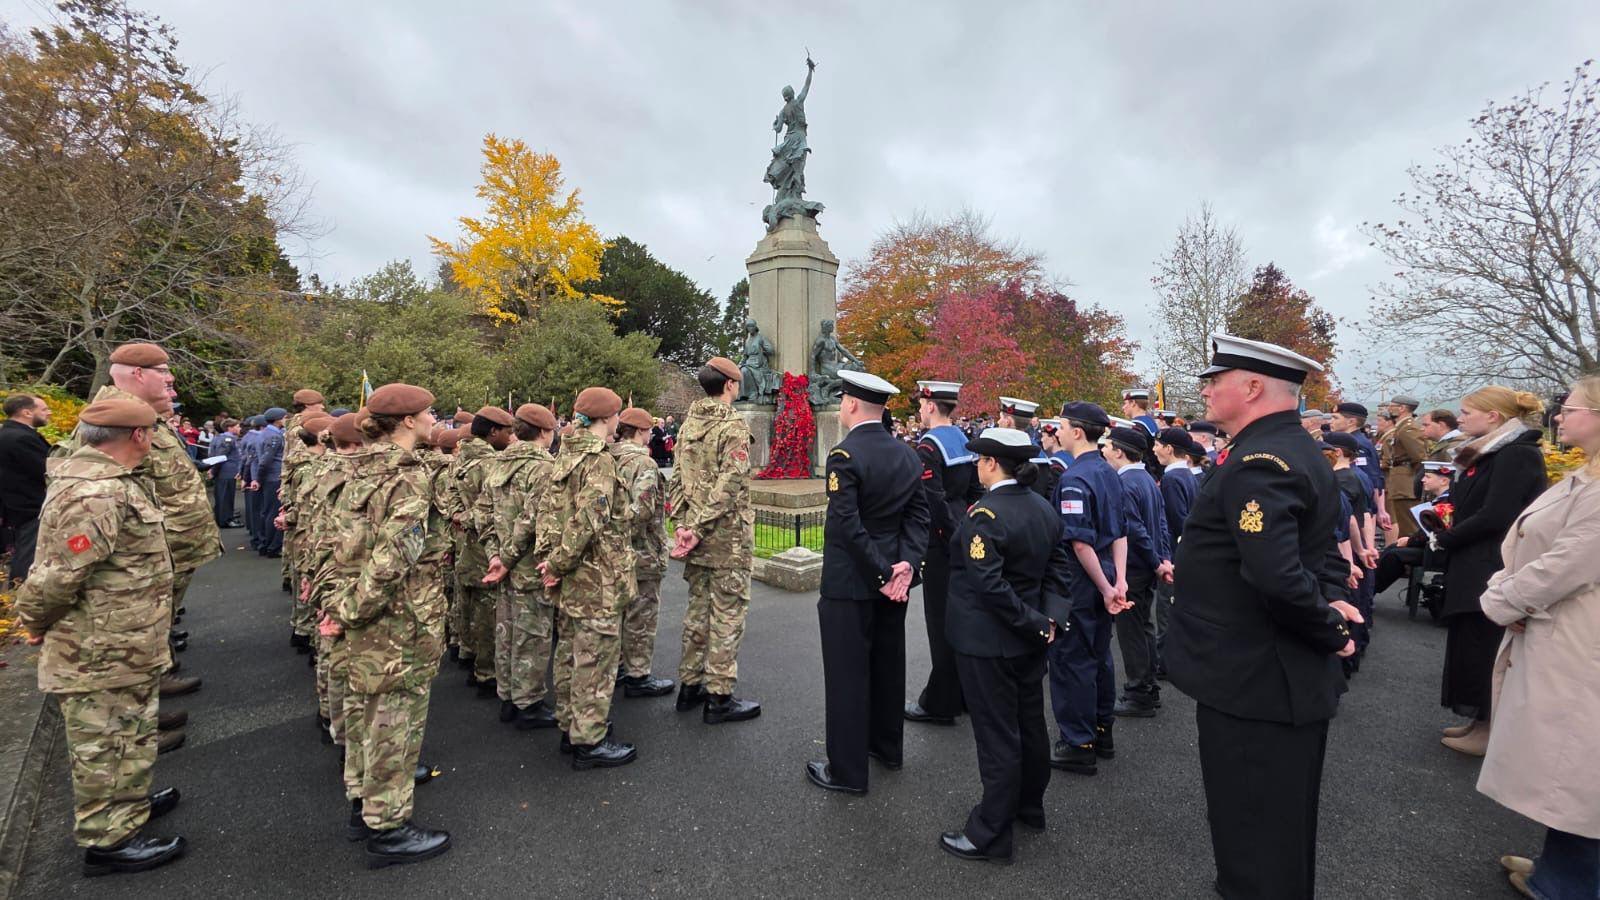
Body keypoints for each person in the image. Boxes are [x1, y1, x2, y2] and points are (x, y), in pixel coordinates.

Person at [1165, 334, 1364, 900]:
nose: (1205, 389)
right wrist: (1330, 597)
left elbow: (1276, 574)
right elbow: (1318, 550)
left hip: (1255, 677)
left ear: (1252, 388)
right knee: (1270, 827)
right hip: (1264, 673)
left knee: (1254, 827)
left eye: (1214, 380)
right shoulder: (1284, 449)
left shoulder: (1261, 461)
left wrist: (1332, 627)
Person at [17, 398, 186, 877]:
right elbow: (58, 575)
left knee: (128, 732)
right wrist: (33, 621)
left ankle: (127, 804)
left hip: (123, 641)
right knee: (102, 742)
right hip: (97, 647)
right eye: (152, 432)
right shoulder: (95, 492)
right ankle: (107, 840)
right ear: (138, 436)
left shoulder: (109, 482)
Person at [1477, 376, 1600, 900]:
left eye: (1569, 408)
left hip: (1578, 638)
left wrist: (1502, 600)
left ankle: (1572, 883)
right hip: (1559, 626)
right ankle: (1560, 867)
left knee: (1577, 764)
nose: (1559, 416)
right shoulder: (1587, 478)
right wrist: (1506, 587)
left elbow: (1565, 564)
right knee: (1567, 764)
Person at [938, 427, 1072, 865]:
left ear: (993, 464)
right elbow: (1058, 569)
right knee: (1029, 725)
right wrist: (1048, 621)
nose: (976, 466)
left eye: (980, 460)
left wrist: (1036, 622)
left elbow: (989, 587)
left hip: (989, 643)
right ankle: (1028, 806)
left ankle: (989, 833)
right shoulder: (1042, 508)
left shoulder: (986, 516)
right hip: (1028, 640)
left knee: (998, 736)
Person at [65, 343, 215, 702]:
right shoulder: (110, 417)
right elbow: (97, 494)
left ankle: (155, 683)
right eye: (163, 372)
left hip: (169, 544)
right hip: (140, 553)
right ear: (138, 374)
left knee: (155, 624)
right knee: (131, 634)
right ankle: (137, 709)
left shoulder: (143, 413)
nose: (170, 379)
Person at [808, 370, 930, 795]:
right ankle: (887, 748)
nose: (841, 405)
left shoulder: (844, 455)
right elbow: (919, 518)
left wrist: (881, 574)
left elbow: (846, 525)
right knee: (887, 667)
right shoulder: (908, 455)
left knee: (847, 676)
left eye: (843, 399)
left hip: (852, 584)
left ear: (853, 405)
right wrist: (905, 567)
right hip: (893, 583)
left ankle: (847, 771)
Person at [1431, 386, 1546, 757]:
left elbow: (1497, 514)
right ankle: (1477, 720)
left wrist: (1447, 539)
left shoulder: (1516, 455)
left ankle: (1489, 726)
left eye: (1466, 412)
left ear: (1493, 417)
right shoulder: (1491, 451)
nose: (1459, 417)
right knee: (1470, 643)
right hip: (1474, 557)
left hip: (1490, 560)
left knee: (1484, 646)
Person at [537, 387, 638, 769]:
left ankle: (571, 725)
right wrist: (559, 562)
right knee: (596, 659)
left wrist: (550, 561)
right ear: (607, 418)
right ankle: (589, 740)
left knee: (569, 653)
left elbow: (548, 513)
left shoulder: (563, 454)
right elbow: (590, 520)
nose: (618, 423)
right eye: (616, 417)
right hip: (597, 577)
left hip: (572, 577)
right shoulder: (598, 460)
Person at [666, 357, 760, 723]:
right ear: (731, 386)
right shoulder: (732, 426)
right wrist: (700, 526)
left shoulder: (690, 423)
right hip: (726, 539)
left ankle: (690, 685)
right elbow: (730, 483)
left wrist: (682, 525)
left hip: (695, 536)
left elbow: (676, 478)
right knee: (727, 616)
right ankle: (719, 697)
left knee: (697, 612)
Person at [1045, 401, 1128, 775]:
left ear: (1077, 432)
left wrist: (1106, 586)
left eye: (1060, 426)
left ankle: (1078, 742)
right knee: (1098, 656)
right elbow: (1120, 532)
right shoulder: (1110, 472)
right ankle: (1101, 729)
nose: (1056, 432)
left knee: (1072, 659)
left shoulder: (1074, 479)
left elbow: (1080, 543)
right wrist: (1118, 580)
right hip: (1105, 572)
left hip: (1082, 580)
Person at [479, 404, 562, 729]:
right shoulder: (543, 468)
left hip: (502, 562)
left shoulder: (498, 464)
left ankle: (508, 698)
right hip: (529, 564)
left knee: (507, 630)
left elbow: (482, 514)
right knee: (533, 636)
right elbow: (531, 520)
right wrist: (508, 557)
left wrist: (494, 555)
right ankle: (528, 703)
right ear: (544, 432)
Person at [905, 380, 981, 727]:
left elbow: (932, 500)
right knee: (964, 617)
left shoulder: (928, 447)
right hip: (966, 532)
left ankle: (941, 701)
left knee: (941, 622)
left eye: (921, 404)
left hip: (943, 543)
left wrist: (948, 538)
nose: (920, 410)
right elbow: (975, 491)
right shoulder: (965, 439)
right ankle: (965, 692)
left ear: (932, 406)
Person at [1104, 426, 1171, 719]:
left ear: (1119, 451)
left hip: (1133, 567)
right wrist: (1163, 559)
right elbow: (1161, 524)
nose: (1103, 450)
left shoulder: (1125, 483)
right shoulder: (1144, 478)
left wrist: (1157, 562)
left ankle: (1138, 692)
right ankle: (1148, 685)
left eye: (1107, 446)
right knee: (1144, 627)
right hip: (1147, 565)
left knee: (1131, 632)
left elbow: (1135, 529)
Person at [610, 407, 675, 699]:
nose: (650, 434)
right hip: (642, 551)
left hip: (613, 553)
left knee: (620, 611)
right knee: (641, 615)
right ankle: (637, 674)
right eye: (648, 430)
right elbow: (644, 510)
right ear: (639, 431)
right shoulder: (643, 464)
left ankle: (620, 668)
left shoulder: (608, 457)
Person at [453, 406, 514, 695]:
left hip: (466, 541)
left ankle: (467, 652)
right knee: (489, 610)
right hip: (487, 542)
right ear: (493, 432)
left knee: (468, 600)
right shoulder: (490, 464)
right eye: (507, 431)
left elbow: (449, 501)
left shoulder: (461, 458)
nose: (511, 437)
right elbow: (491, 509)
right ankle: (486, 673)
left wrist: (459, 518)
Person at [1151, 427, 1200, 679]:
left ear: (1169, 449)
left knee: (1167, 609)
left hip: (1174, 551)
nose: (1154, 449)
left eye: (1158, 445)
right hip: (1186, 551)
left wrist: (1169, 556)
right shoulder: (1188, 474)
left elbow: (1175, 520)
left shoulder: (1172, 478)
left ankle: (1167, 662)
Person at [1371, 461, 1453, 596]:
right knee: (1392, 549)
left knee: (1394, 555)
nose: (1422, 480)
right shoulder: (1441, 500)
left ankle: (1370, 590)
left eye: (1428, 477)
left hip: (1438, 552)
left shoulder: (1446, 503)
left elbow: (1435, 532)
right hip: (1430, 547)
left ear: (1444, 481)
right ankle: (1367, 587)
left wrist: (1409, 541)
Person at [1, 393, 51, 584]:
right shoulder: (21, 438)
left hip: (15, 503)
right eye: (44, 409)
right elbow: (46, 468)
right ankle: (19, 589)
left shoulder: (8, 433)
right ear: (27, 412)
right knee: (28, 552)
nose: (49, 412)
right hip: (29, 504)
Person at [1381, 395, 1427, 539]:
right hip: (1402, 483)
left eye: (1392, 406)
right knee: (1404, 524)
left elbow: (1419, 457)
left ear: (1402, 408)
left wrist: (1417, 481)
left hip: (1407, 484)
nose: (1389, 408)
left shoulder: (1408, 429)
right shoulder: (1401, 427)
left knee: (1409, 527)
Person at [254, 407, 287, 558]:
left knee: (266, 511)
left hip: (269, 477)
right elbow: (266, 461)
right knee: (273, 512)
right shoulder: (274, 436)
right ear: (278, 419)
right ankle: (272, 546)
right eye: (284, 417)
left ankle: (265, 544)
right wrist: (259, 478)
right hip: (273, 477)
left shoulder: (264, 433)